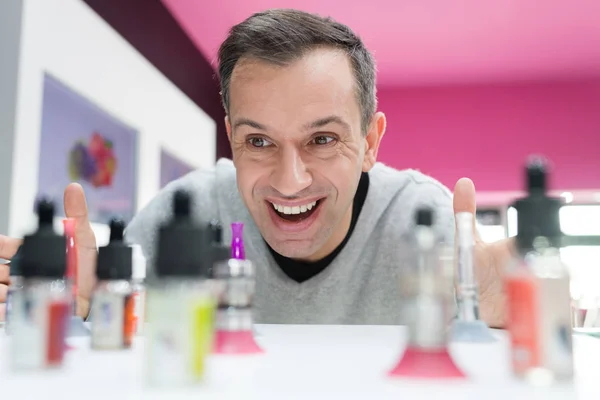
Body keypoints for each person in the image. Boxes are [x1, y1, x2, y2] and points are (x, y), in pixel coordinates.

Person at [0, 9, 511, 326]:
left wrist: (486, 305)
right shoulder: (184, 214)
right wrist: (76, 314)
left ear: (371, 141)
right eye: (259, 140)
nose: (291, 181)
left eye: (324, 139)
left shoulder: (429, 224)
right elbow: (102, 327)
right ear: (231, 138)